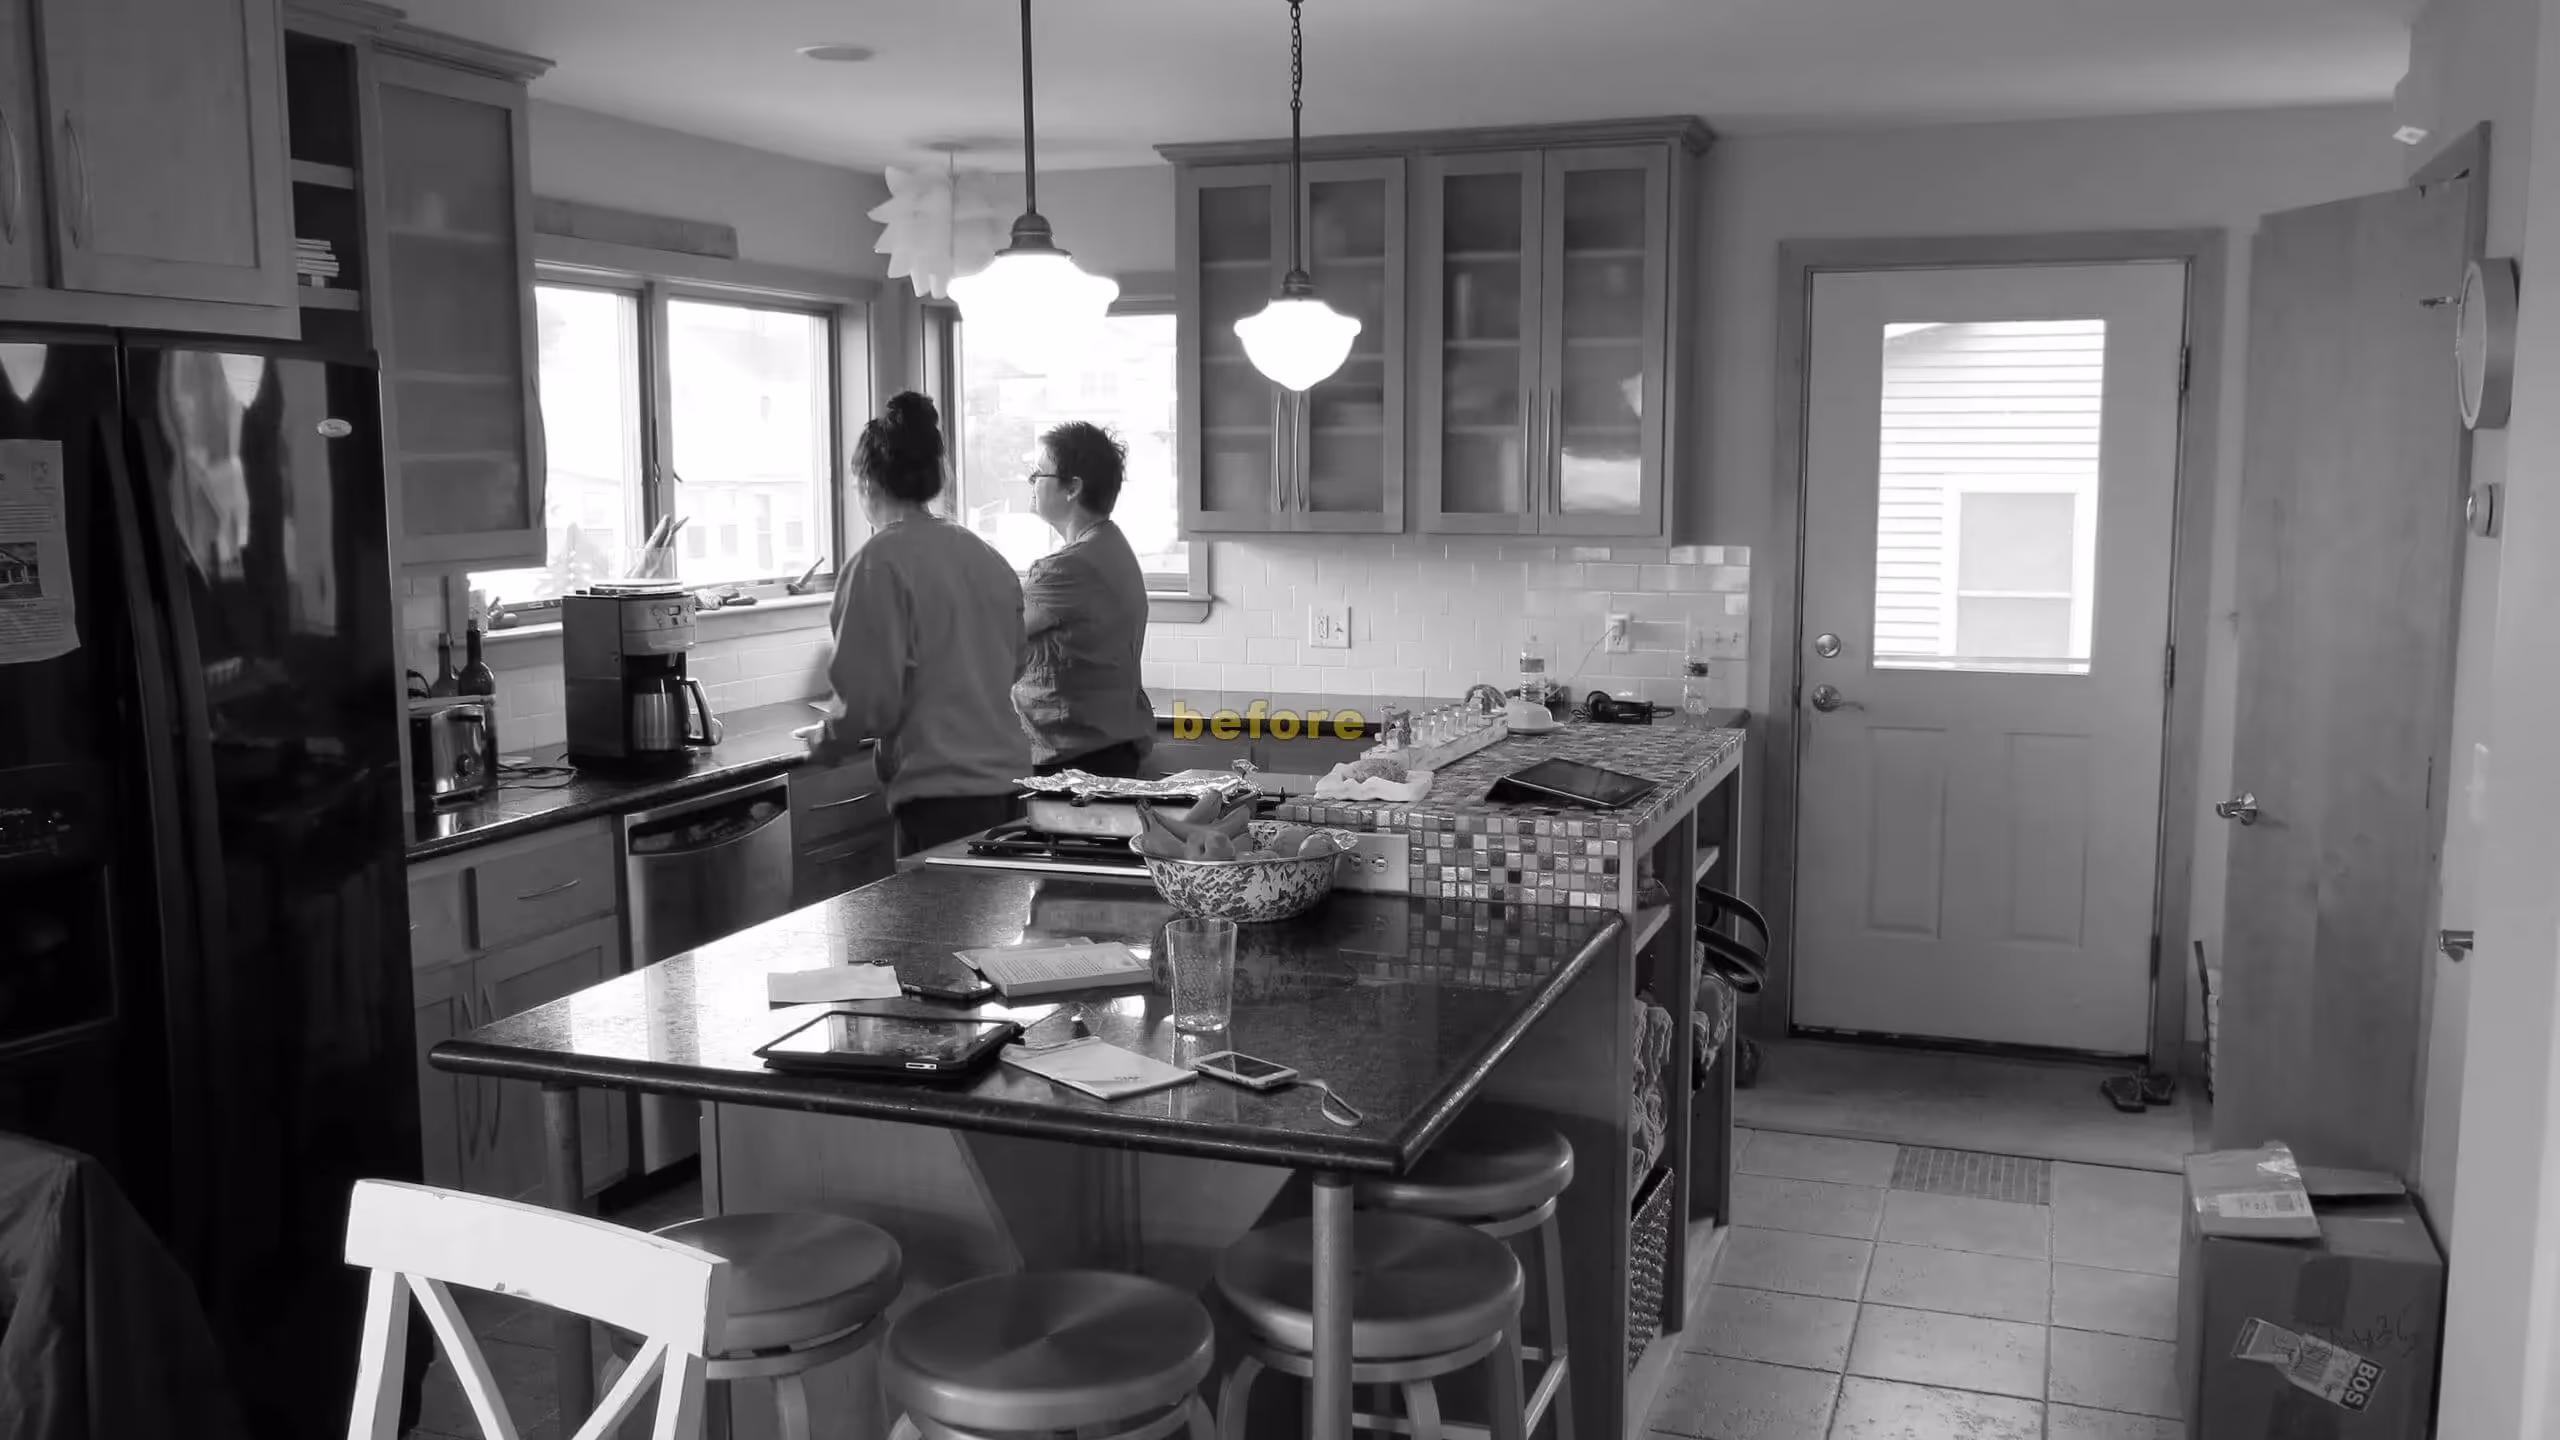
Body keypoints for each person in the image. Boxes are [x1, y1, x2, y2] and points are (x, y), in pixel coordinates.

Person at [809, 392, 1030, 855]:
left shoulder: (877, 563)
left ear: (867, 481)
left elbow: (870, 698)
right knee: (997, 926)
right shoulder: (983, 554)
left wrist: (826, 742)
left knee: (938, 927)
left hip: (940, 794)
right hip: (1010, 786)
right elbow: (1015, 661)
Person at [1015, 420, 1157, 779]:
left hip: (1076, 760)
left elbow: (993, 637)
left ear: (1072, 488)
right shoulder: (1112, 546)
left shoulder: (1065, 569)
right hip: (1107, 749)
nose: (1032, 481)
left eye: (1039, 473)